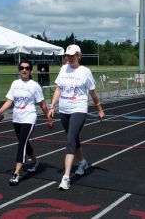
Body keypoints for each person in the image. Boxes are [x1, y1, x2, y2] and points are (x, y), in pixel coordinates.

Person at [48, 44, 105, 191]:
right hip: (64, 109)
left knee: (70, 140)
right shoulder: (63, 69)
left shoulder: (85, 71)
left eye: (73, 55)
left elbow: (92, 93)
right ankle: (82, 162)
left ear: (79, 56)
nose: (70, 57)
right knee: (73, 138)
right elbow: (59, 88)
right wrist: (52, 106)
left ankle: (66, 177)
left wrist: (99, 109)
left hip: (79, 108)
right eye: (68, 55)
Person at [0, 60, 53, 186]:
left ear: (30, 70)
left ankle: (16, 173)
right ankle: (36, 162)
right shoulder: (15, 83)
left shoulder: (34, 85)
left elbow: (42, 104)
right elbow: (9, 101)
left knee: (22, 144)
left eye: (27, 68)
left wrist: (49, 118)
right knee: (24, 142)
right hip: (17, 118)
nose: (24, 70)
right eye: (22, 68)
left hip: (29, 117)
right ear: (19, 70)